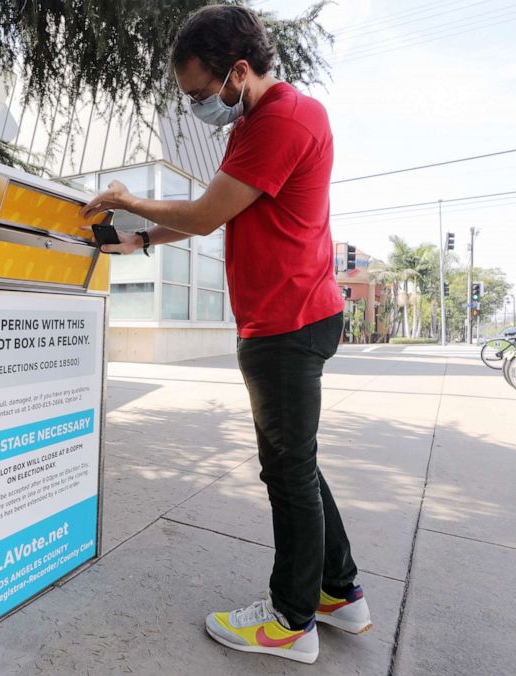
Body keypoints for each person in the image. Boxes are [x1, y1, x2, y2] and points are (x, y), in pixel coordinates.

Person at [79, 4, 370, 665]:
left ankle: (291, 621)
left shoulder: (285, 119)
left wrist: (128, 198)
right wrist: (142, 239)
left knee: (287, 470)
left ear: (238, 71)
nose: (196, 108)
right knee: (297, 462)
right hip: (287, 315)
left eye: (200, 93)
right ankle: (338, 593)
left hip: (287, 321)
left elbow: (208, 213)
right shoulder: (257, 124)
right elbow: (218, 214)